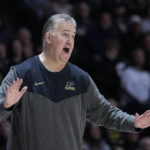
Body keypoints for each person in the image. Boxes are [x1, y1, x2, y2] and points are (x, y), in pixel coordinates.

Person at [0, 14, 150, 150]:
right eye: (65, 35)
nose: (70, 41)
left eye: (72, 36)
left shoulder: (80, 78)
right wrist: (6, 105)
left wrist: (134, 123)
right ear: (48, 38)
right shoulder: (20, 74)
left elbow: (105, 113)